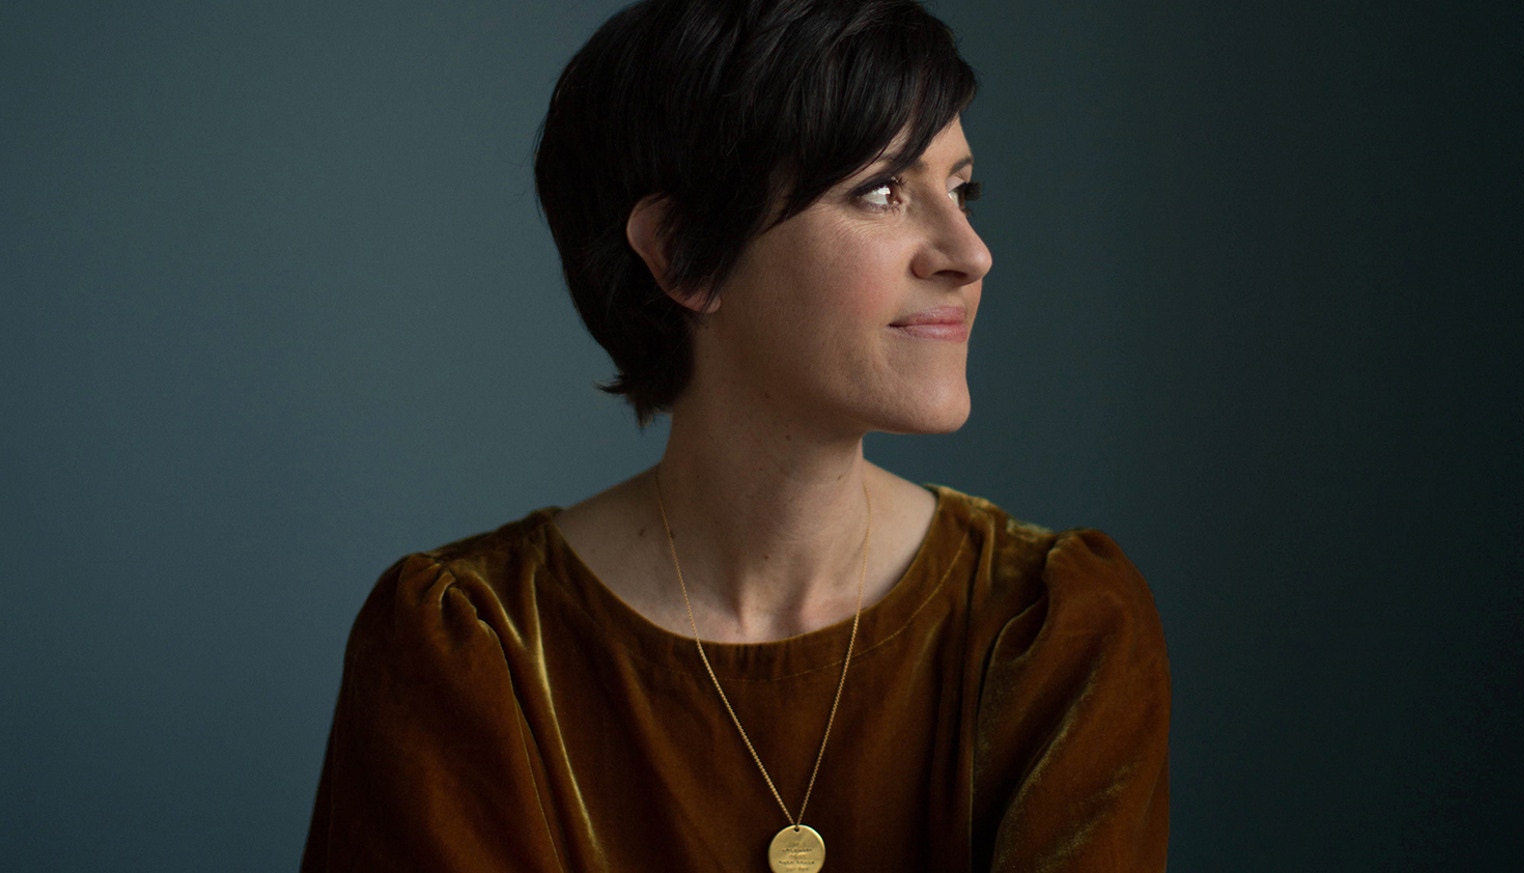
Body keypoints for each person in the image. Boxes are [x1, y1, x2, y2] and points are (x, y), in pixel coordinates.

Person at [300, 0, 1170, 870]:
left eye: (961, 188)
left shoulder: (1050, 627)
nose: (970, 253)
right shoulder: (474, 648)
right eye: (881, 191)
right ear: (683, 252)